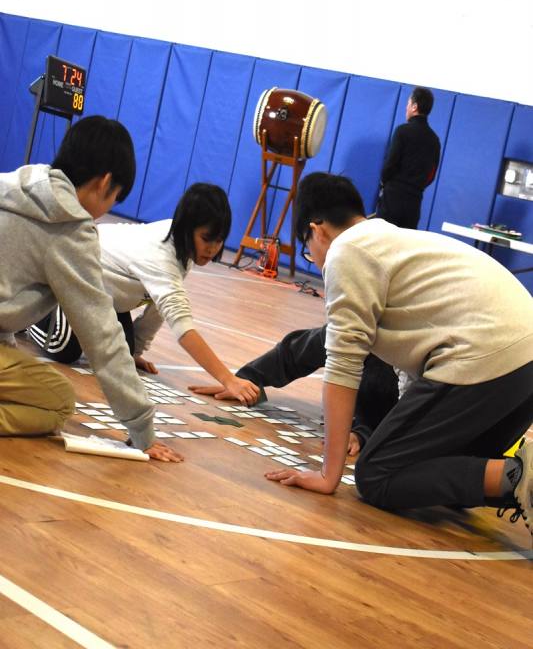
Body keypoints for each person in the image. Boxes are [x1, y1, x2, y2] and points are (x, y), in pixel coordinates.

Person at [265, 171, 533, 542]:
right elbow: (411, 365)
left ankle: (519, 478)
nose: (315, 259)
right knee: (431, 470)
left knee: (376, 476)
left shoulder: (346, 251)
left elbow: (342, 367)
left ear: (317, 230)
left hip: (485, 355)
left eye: (308, 250)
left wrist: (328, 474)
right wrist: (402, 434)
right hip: (522, 362)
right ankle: (516, 480)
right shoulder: (392, 240)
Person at [0, 116, 181, 462]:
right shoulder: (69, 229)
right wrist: (142, 429)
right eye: (114, 198)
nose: (106, 210)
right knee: (58, 400)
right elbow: (101, 334)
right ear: (105, 182)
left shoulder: (15, 184)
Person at [28, 183, 260, 406]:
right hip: (68, 271)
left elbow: (156, 310)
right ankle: (28, 311)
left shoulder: (182, 248)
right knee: (64, 347)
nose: (212, 248)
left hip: (103, 297)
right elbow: (182, 327)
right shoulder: (160, 257)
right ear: (186, 229)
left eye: (219, 240)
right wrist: (228, 380)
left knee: (125, 356)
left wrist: (135, 352)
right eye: (206, 239)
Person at [190, 325, 399, 456]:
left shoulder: (395, 340)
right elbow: (299, 351)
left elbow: (390, 391)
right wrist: (245, 382)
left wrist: (364, 431)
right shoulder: (354, 323)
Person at [376, 86, 440, 229]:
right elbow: (431, 175)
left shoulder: (402, 131)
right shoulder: (434, 140)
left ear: (414, 107)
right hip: (414, 204)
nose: (406, 107)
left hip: (392, 199)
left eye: (408, 103)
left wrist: (385, 182)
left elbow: (390, 165)